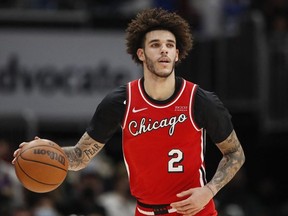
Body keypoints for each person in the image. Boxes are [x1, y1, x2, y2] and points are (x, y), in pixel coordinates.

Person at [12, 8, 245, 216]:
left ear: (177, 54)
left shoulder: (200, 101)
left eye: (169, 45)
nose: (164, 50)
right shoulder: (120, 102)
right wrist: (43, 150)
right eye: (155, 44)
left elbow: (235, 153)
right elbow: (80, 156)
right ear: (141, 54)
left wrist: (209, 190)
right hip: (144, 211)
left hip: (194, 212)